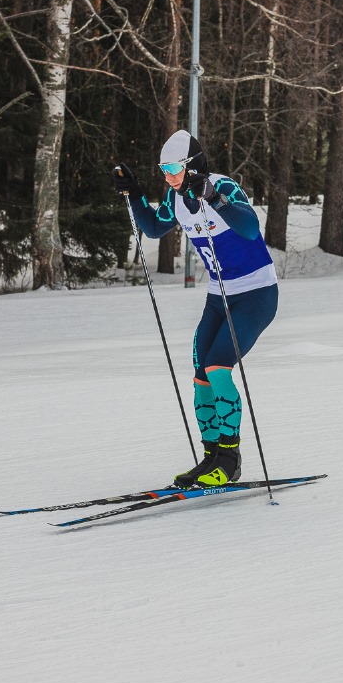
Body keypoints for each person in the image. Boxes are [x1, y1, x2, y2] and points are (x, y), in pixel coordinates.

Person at [112, 130, 279, 488]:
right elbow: (154, 229)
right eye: (163, 169)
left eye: (173, 168)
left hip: (256, 295)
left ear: (191, 166)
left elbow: (250, 229)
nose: (168, 177)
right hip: (218, 297)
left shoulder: (224, 187)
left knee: (219, 368)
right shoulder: (176, 199)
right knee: (201, 376)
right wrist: (135, 193)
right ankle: (212, 458)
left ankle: (231, 461)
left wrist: (215, 198)